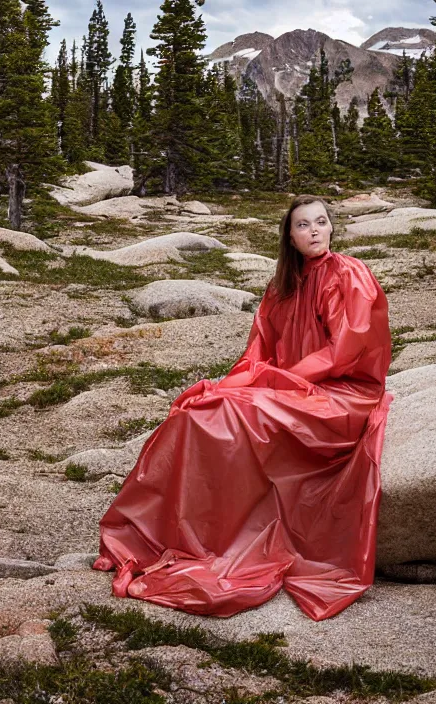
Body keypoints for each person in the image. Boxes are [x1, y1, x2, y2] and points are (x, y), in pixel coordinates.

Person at [93, 194, 392, 621]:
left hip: (339, 393)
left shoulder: (349, 274)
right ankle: (175, 536)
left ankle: (216, 537)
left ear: (331, 227)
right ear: (289, 237)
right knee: (198, 411)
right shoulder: (282, 287)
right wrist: (234, 383)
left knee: (236, 414)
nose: (314, 231)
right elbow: (258, 352)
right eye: (303, 225)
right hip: (290, 389)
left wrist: (273, 382)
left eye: (321, 222)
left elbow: (344, 351)